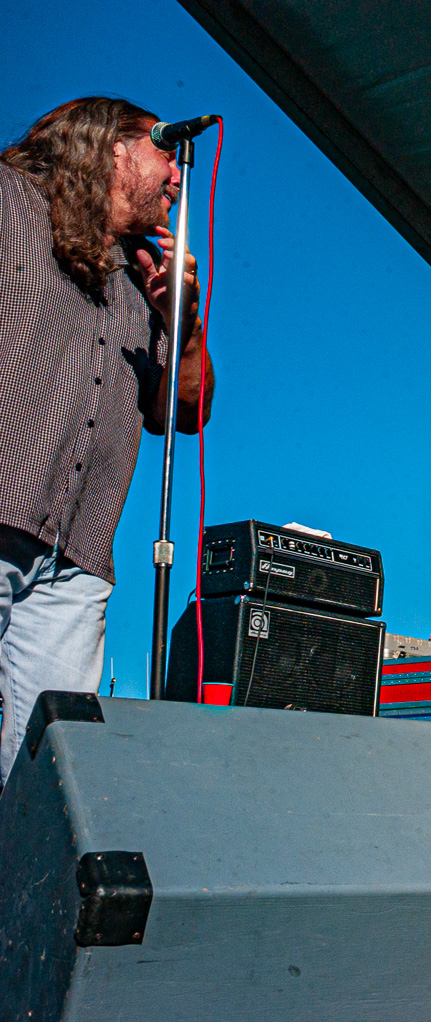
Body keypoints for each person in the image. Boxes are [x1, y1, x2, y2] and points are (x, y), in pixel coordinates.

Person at [0, 97, 214, 786]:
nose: (179, 176)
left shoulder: (142, 276)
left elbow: (185, 411)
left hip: (77, 559)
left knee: (44, 766)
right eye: (162, 149)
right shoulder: (11, 203)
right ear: (111, 148)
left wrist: (184, 323)